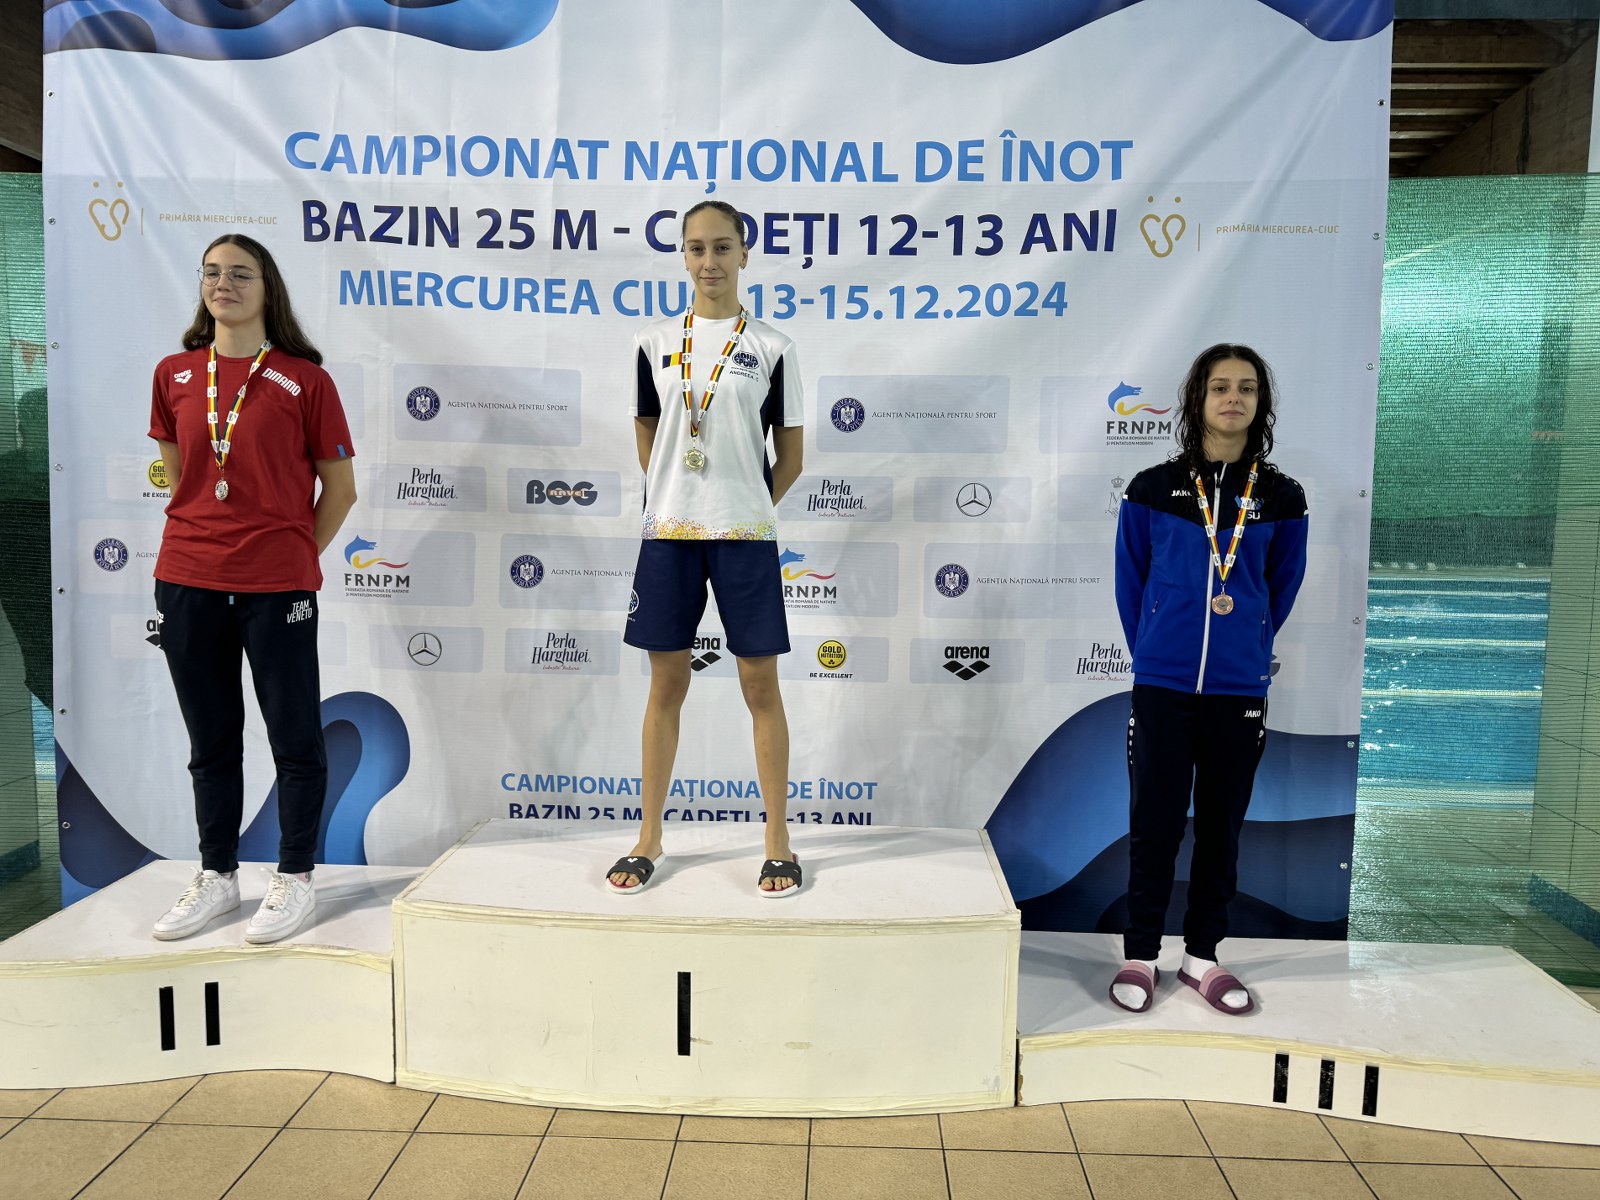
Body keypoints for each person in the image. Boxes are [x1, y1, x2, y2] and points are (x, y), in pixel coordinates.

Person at [147, 234, 357, 943]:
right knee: (210, 742)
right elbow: (182, 478)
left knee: (295, 740)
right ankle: (217, 875)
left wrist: (290, 557)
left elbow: (341, 490)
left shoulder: (305, 380)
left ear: (268, 289)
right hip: (188, 580)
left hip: (277, 588)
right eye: (211, 272)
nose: (223, 284)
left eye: (240, 274)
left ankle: (295, 877)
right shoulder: (175, 373)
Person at [608, 200, 805, 897]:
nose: (709, 261)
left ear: (745, 254)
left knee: (760, 687)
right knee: (665, 685)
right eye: (696, 248)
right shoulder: (652, 342)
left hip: (746, 538)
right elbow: (648, 431)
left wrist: (742, 504)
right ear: (683, 257)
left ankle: (777, 843)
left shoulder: (773, 347)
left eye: (722, 247)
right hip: (669, 536)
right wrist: (677, 495)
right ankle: (648, 837)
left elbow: (791, 457)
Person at [1110, 344, 1307, 1014]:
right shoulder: (1152, 488)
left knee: (1222, 827)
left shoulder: (1281, 497)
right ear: (1197, 399)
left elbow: (1280, 588)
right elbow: (1131, 582)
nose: (1233, 398)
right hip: (1162, 685)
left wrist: (1246, 643)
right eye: (1220, 387)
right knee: (1155, 823)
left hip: (1238, 689)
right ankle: (1140, 954)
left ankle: (1201, 957)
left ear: (1260, 403)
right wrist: (1155, 650)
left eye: (1247, 388)